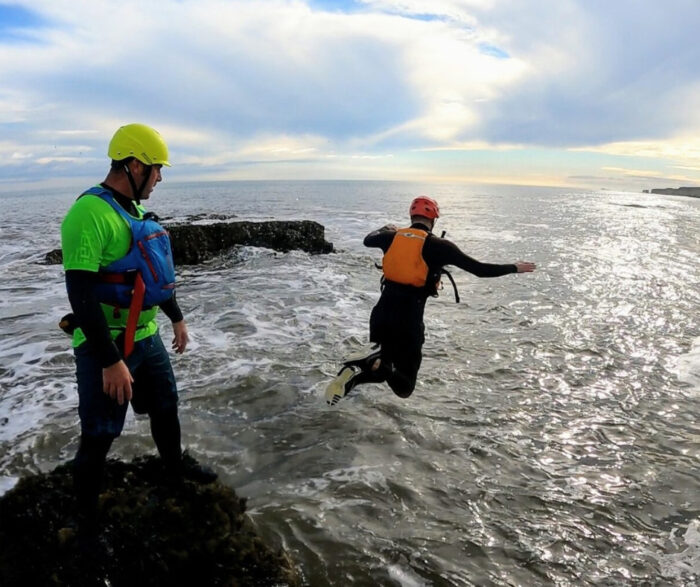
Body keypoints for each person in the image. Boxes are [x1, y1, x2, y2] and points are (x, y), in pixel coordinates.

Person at [60, 123, 216, 539]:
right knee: (99, 434)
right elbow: (80, 294)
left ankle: (173, 473)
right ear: (133, 165)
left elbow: (151, 275)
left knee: (165, 407)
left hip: (145, 336)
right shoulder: (89, 213)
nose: (160, 178)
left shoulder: (138, 213)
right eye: (157, 169)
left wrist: (176, 317)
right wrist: (110, 361)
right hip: (103, 346)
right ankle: (85, 520)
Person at [325, 195, 536, 405]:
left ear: (411, 216)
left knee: (383, 369)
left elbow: (368, 239)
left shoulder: (390, 237)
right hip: (408, 322)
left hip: (381, 316)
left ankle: (350, 378)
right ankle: (370, 362)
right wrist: (514, 268)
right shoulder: (440, 246)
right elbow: (480, 270)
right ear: (434, 219)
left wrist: (385, 227)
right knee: (405, 386)